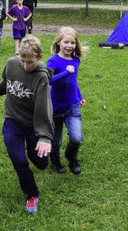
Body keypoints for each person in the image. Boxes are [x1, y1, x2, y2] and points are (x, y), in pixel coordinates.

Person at [0, 35, 54, 213]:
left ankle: (35, 150)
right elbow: (7, 83)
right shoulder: (12, 64)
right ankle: (32, 194)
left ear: (39, 58)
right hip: (12, 119)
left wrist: (44, 137)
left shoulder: (41, 77)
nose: (26, 66)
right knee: (19, 160)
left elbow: (44, 108)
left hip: (33, 124)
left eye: (30, 62)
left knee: (41, 164)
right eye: (23, 61)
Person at [46, 26, 87, 175]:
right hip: (55, 107)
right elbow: (47, 81)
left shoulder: (75, 61)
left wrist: (80, 96)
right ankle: (55, 162)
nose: (69, 46)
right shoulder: (53, 61)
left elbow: (73, 81)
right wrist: (64, 72)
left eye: (73, 43)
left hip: (72, 105)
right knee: (55, 141)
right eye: (66, 42)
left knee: (76, 138)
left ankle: (71, 157)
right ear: (58, 43)